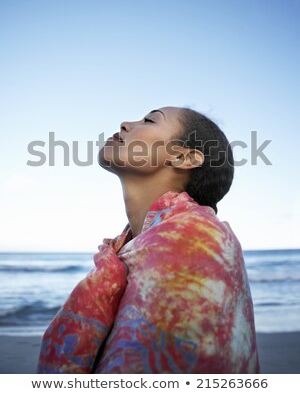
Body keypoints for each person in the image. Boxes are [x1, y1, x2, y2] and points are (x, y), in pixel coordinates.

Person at [37, 106, 260, 374]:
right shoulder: (136, 245)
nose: (125, 124)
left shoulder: (194, 240)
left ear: (182, 156)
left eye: (150, 120)